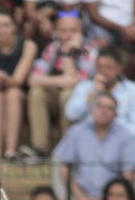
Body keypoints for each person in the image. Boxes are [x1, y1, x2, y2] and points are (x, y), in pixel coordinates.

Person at [54, 90, 135, 200]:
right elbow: (64, 170)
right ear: (91, 109)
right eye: (99, 106)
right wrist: (82, 199)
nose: (103, 110)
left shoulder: (127, 136)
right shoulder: (76, 132)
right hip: (79, 199)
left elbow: (129, 175)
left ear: (115, 114)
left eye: (109, 108)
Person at [25, 11, 96, 157]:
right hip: (54, 94)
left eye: (73, 31)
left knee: (68, 93)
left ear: (81, 32)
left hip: (81, 99)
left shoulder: (90, 49)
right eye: (63, 30)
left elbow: (75, 81)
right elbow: (33, 79)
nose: (68, 35)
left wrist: (67, 52)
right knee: (36, 92)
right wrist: (60, 80)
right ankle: (39, 148)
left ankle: (68, 147)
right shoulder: (52, 47)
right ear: (57, 32)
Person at [0, 8, 35, 161]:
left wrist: (1, 76)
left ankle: (11, 151)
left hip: (21, 96)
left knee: (12, 93)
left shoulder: (28, 45)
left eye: (6, 25)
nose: (2, 30)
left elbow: (18, 80)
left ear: (14, 26)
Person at [62, 45, 135, 140]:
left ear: (119, 68)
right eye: (100, 67)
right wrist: (93, 93)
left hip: (119, 142)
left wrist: (110, 136)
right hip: (87, 140)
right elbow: (71, 115)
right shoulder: (86, 86)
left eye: (108, 67)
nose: (103, 71)